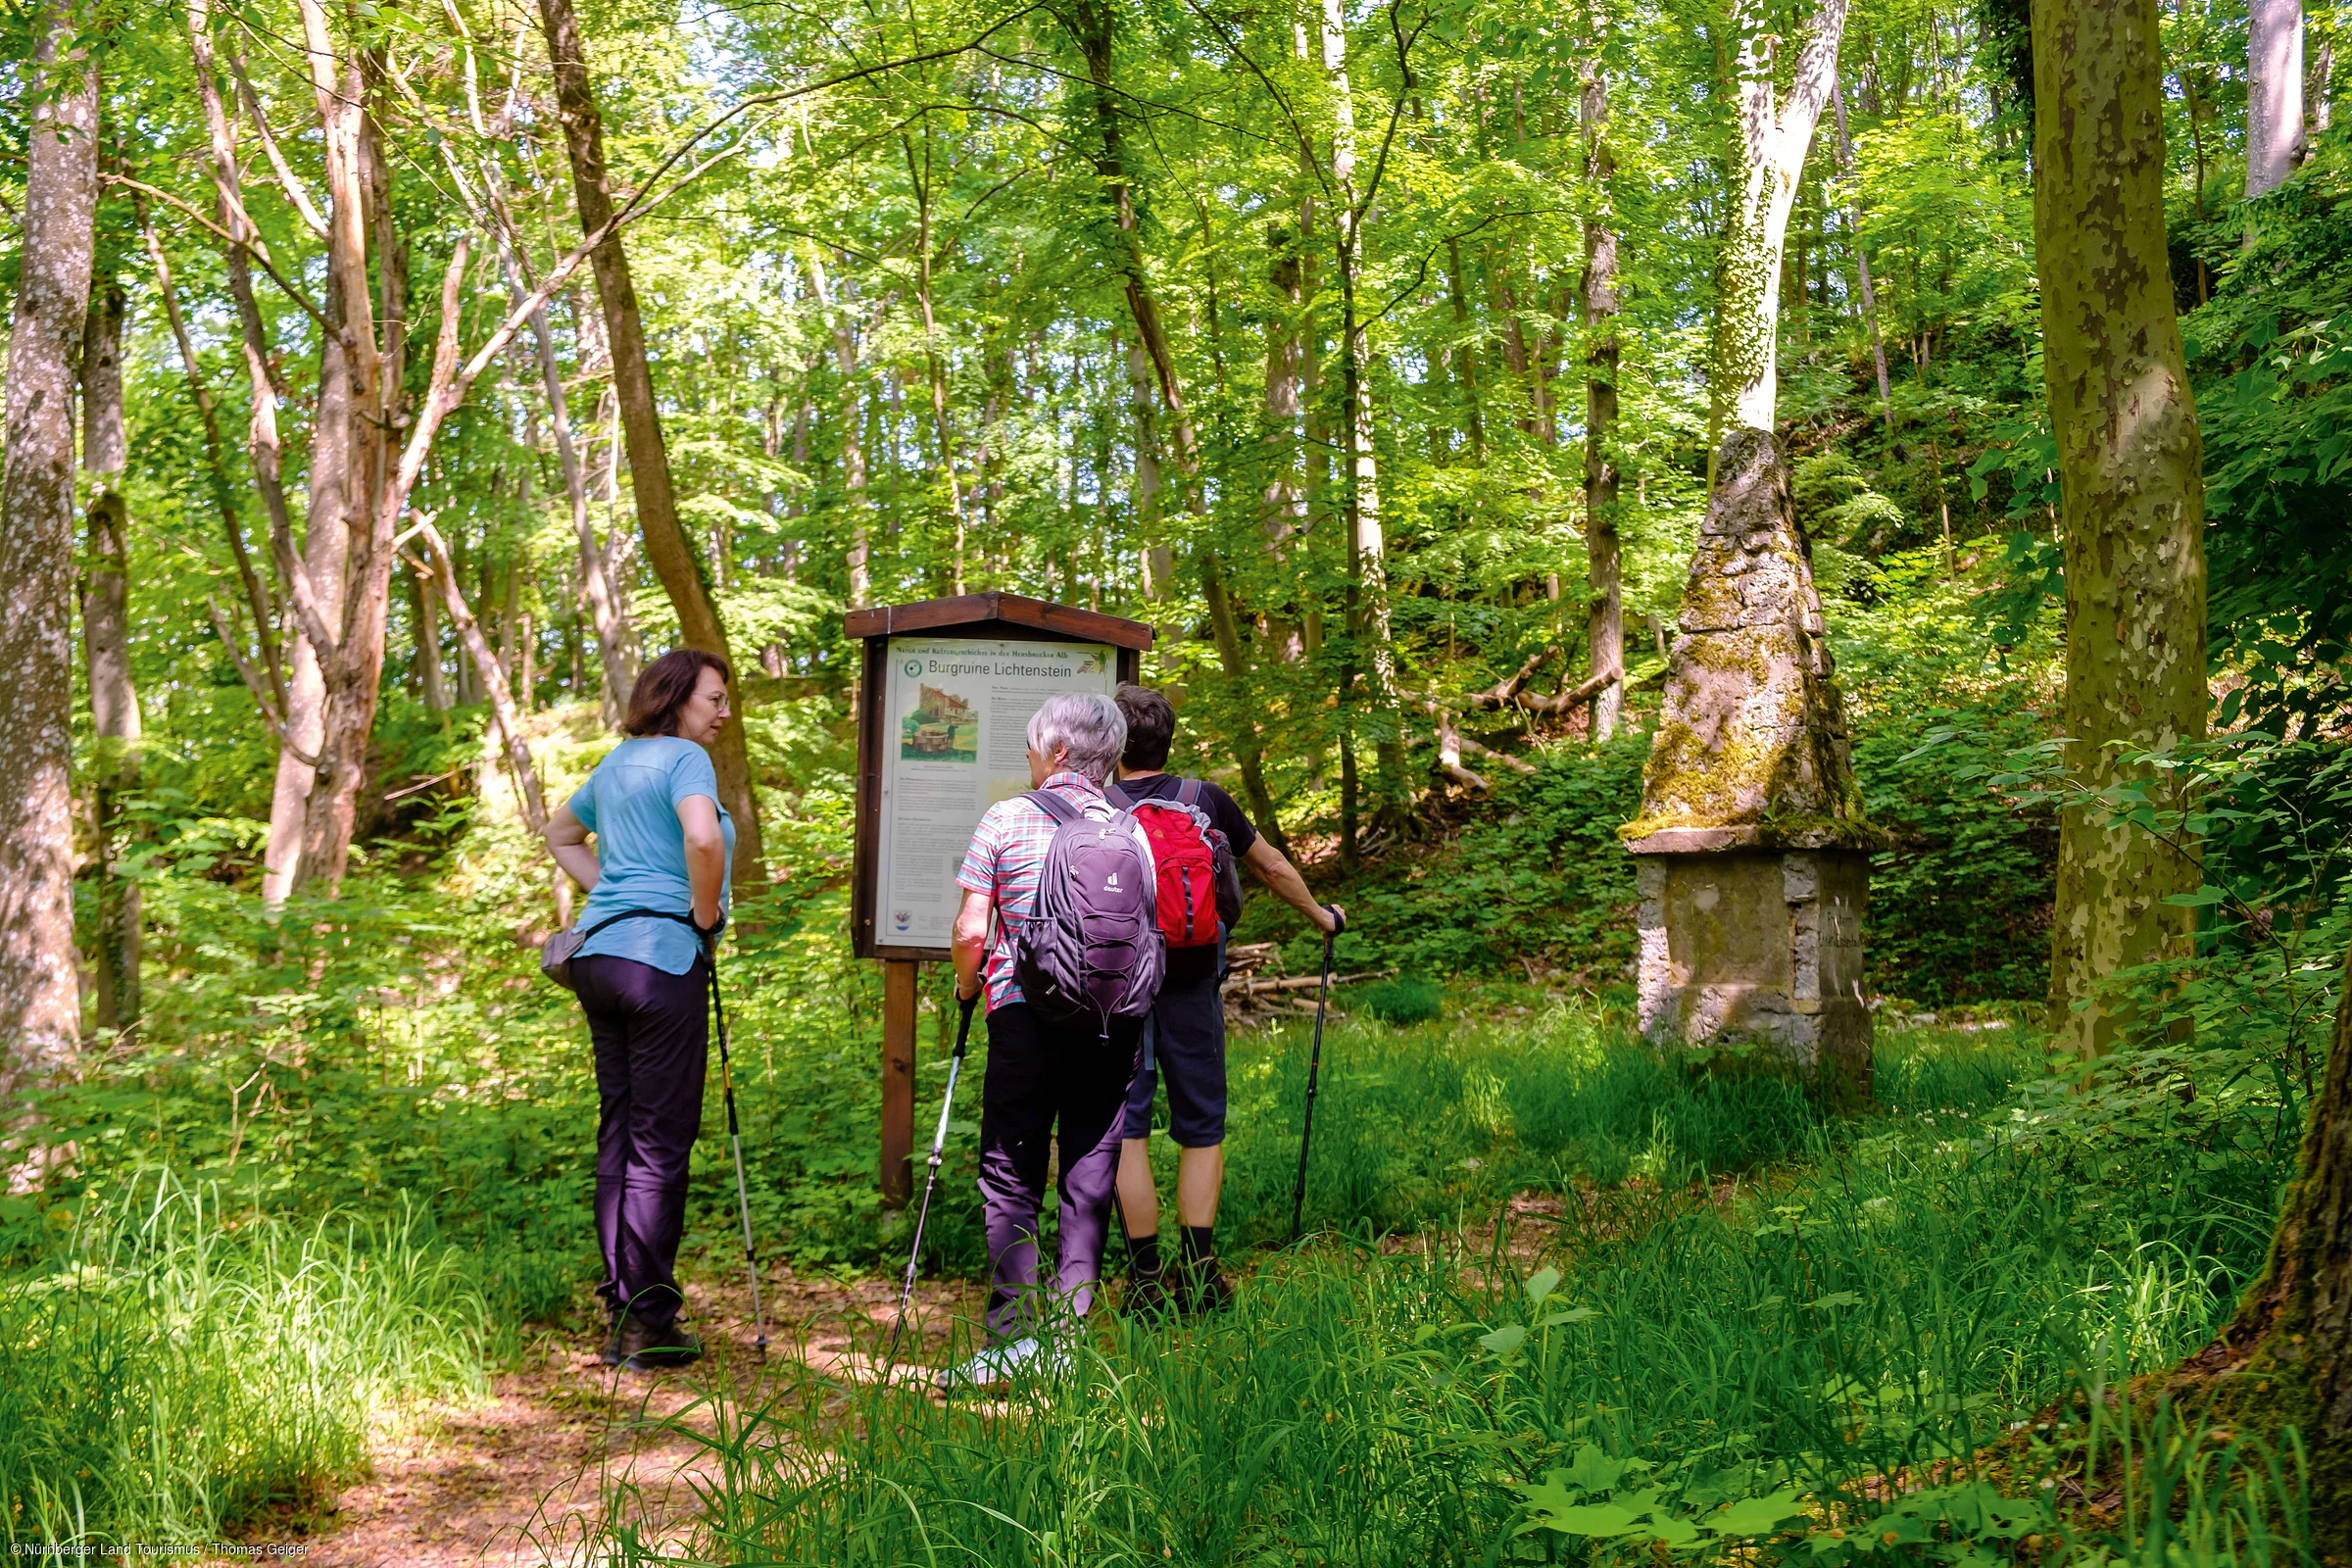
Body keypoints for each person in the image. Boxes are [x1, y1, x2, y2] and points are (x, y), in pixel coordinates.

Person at [1108, 683, 1342, 1314]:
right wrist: (1321, 916)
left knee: (1126, 1130)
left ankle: (1145, 1279)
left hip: (1120, 987)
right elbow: (1272, 866)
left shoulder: (1095, 807)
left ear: (1115, 746)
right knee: (1202, 1126)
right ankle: (1201, 1274)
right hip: (1192, 979)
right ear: (1168, 741)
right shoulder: (1205, 800)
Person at [943, 691, 1147, 1387]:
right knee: (1089, 1174)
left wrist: (967, 987)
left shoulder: (1007, 817)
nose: (1028, 756)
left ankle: (1009, 1339)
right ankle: (1066, 1342)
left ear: (1058, 751)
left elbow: (971, 929)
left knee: (1012, 1170)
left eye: (1032, 744)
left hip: (1023, 1013)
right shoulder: (1133, 829)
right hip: (1111, 1020)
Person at [544, 649, 737, 1371]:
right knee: (659, 1141)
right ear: (676, 699)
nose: (723, 713)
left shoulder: (618, 763)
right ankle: (647, 1323)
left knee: (621, 1133)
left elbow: (560, 836)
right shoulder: (685, 759)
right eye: (714, 699)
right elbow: (701, 837)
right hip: (661, 960)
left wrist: (615, 892)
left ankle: (624, 1309)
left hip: (599, 958)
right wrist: (702, 916)